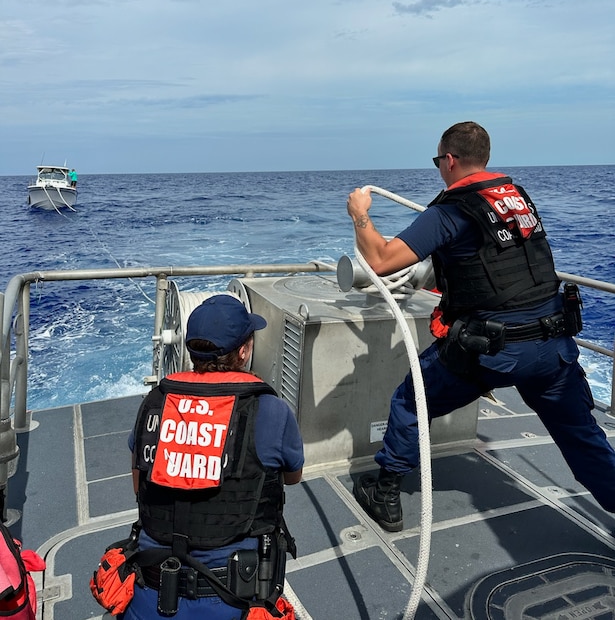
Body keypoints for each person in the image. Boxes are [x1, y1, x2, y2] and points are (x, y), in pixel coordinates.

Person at [347, 120, 615, 532]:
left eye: (438, 160)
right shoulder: (517, 198)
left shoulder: (451, 211)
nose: (439, 167)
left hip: (493, 351)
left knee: (410, 400)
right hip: (553, 343)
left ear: (450, 160)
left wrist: (360, 215)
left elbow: (382, 260)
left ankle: (384, 492)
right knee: (584, 439)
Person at [122, 293, 304, 619]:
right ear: (244, 351)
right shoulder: (272, 411)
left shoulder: (153, 402)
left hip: (150, 590)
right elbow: (293, 477)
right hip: (234, 598)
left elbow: (140, 486)